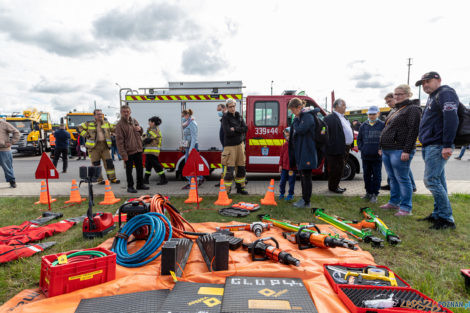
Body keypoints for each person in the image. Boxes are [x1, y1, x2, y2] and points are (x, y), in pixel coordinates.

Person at [416, 71, 459, 229]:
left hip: (438, 144)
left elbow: (451, 118)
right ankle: (438, 214)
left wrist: (447, 144)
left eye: (428, 81)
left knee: (431, 180)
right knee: (439, 180)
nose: (425, 85)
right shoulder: (433, 96)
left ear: (438, 80)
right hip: (431, 144)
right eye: (423, 83)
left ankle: (447, 219)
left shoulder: (445, 93)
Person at [379, 84, 421, 216]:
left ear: (408, 94)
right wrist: (381, 147)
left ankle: (406, 208)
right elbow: (387, 128)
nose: (396, 96)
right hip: (387, 149)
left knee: (402, 178)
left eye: (400, 94)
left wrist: (407, 150)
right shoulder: (395, 109)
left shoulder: (413, 109)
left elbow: (413, 130)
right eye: (395, 94)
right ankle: (394, 202)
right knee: (392, 178)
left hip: (400, 149)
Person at [381, 93, 417, 192]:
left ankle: (412, 186)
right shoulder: (393, 110)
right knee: (398, 171)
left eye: (389, 101)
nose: (388, 104)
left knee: (403, 172)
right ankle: (392, 186)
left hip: (398, 146)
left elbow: (413, 130)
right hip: (390, 146)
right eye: (386, 102)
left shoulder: (409, 109)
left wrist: (406, 149)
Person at [288, 98, 317, 208]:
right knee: (303, 176)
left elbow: (300, 130)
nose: (292, 113)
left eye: (293, 110)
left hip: (307, 152)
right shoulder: (301, 117)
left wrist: (295, 121)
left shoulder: (308, 116)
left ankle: (307, 201)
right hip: (301, 151)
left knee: (307, 177)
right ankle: (304, 199)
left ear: (299, 107)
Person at [78, 109, 120, 184]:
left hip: (105, 146)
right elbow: (79, 128)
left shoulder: (106, 123)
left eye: (101, 114)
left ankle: (112, 178)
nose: (100, 115)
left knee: (109, 163)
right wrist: (86, 134)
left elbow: (115, 129)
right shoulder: (89, 123)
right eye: (98, 114)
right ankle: (99, 179)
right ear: (94, 116)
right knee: (96, 164)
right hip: (94, 148)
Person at [115, 105, 149, 193]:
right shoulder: (119, 125)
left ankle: (140, 184)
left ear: (130, 112)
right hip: (128, 152)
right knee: (129, 170)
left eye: (127, 111)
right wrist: (123, 154)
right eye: (124, 112)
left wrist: (140, 129)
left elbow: (141, 132)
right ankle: (130, 187)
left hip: (138, 149)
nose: (126, 113)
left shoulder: (134, 120)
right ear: (121, 113)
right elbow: (119, 141)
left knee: (140, 168)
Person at [324, 99, 353, 193]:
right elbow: (324, 133)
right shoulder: (329, 118)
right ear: (337, 106)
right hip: (335, 148)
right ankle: (333, 187)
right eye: (344, 105)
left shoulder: (344, 117)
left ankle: (336, 185)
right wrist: (329, 145)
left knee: (340, 168)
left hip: (345, 147)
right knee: (335, 169)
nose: (345, 107)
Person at [357, 106, 385, 203]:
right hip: (366, 156)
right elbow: (359, 139)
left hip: (377, 157)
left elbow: (385, 139)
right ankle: (368, 193)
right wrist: (362, 149)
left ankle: (374, 194)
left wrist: (381, 149)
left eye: (373, 114)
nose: (371, 116)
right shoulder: (363, 125)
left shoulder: (382, 125)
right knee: (366, 175)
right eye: (370, 114)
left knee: (377, 176)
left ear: (378, 113)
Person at [221, 98, 248, 194]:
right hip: (230, 147)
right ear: (227, 107)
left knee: (241, 168)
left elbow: (245, 128)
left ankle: (240, 188)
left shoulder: (239, 116)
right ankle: (226, 191)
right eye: (230, 107)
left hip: (240, 145)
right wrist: (238, 130)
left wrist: (235, 129)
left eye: (234, 106)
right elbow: (227, 132)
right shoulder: (225, 117)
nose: (233, 108)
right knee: (229, 170)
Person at [180, 109, 204, 189]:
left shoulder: (192, 123)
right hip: (188, 146)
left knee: (190, 165)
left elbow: (194, 137)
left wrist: (191, 149)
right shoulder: (187, 123)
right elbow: (185, 134)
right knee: (193, 164)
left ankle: (192, 183)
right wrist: (183, 145)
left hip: (192, 146)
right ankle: (200, 178)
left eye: (183, 115)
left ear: (187, 115)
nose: (182, 117)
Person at [143, 116, 168, 185]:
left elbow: (146, 139)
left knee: (156, 165)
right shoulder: (151, 129)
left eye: (150, 122)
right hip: (149, 151)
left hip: (153, 151)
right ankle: (146, 179)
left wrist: (143, 138)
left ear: (153, 123)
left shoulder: (154, 130)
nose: (148, 123)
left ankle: (163, 179)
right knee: (148, 165)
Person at [0, 117, 20, 188]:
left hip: (4, 150)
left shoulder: (4, 124)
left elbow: (16, 132)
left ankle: (12, 182)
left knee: (7, 168)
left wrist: (12, 142)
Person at [279, 127, 295, 201]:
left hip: (292, 168)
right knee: (282, 181)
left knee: (291, 182)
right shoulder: (284, 145)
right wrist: (280, 165)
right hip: (284, 168)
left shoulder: (295, 145)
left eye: (288, 135)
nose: (287, 137)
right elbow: (281, 156)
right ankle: (282, 193)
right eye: (286, 136)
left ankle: (290, 194)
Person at [215, 103, 227, 187]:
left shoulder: (226, 118)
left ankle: (223, 181)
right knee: (224, 164)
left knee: (225, 164)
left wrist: (224, 144)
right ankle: (223, 180)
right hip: (225, 145)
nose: (218, 112)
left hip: (226, 145)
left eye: (219, 110)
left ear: (224, 109)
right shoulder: (223, 118)